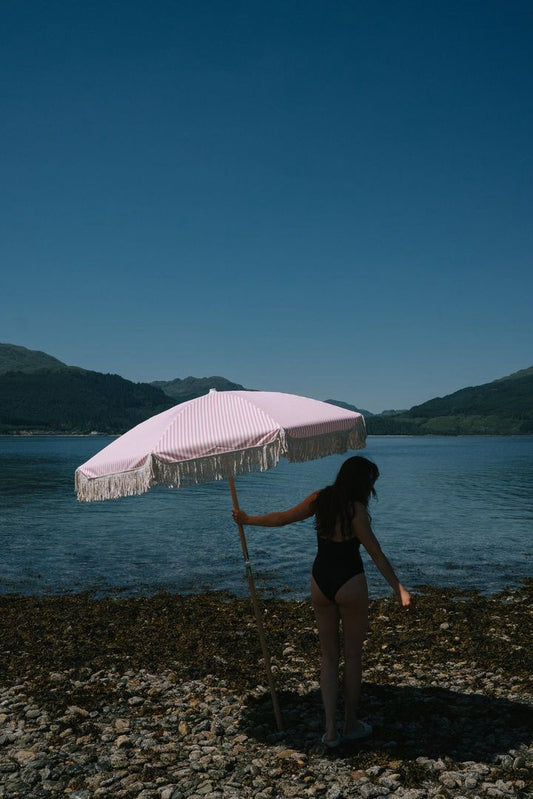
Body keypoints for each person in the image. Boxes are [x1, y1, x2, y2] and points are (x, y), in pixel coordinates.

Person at [232, 455, 411, 747]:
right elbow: (375, 553)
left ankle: (329, 731)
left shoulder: (320, 499)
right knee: (352, 657)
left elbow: (282, 518)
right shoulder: (357, 511)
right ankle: (350, 724)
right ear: (362, 482)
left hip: (320, 581)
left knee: (328, 657)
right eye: (371, 481)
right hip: (350, 581)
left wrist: (248, 520)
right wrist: (398, 588)